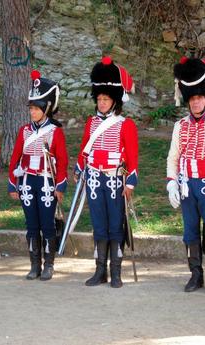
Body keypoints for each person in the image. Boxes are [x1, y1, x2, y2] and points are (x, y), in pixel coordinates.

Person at [75, 56, 138, 288]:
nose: (101, 103)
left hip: (115, 181)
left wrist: (129, 183)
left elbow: (132, 158)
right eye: (99, 99)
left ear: (114, 101)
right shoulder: (91, 123)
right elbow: (84, 151)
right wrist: (79, 169)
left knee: (115, 227)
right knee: (99, 225)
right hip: (94, 180)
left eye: (106, 99)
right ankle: (99, 270)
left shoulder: (125, 124)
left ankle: (116, 272)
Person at [166, 57, 205, 294]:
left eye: (199, 97)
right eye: (192, 98)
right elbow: (173, 157)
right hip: (187, 185)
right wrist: (172, 183)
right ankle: (195, 274)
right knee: (189, 231)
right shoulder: (180, 125)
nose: (196, 102)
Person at [8, 70, 68, 281]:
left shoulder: (54, 131)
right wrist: (12, 184)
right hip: (27, 182)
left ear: (46, 109)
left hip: (46, 182)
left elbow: (62, 161)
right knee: (31, 224)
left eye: (36, 108)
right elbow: (15, 158)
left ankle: (48, 265)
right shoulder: (24, 131)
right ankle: (34, 264)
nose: (32, 112)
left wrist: (60, 186)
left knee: (47, 224)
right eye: (31, 108)